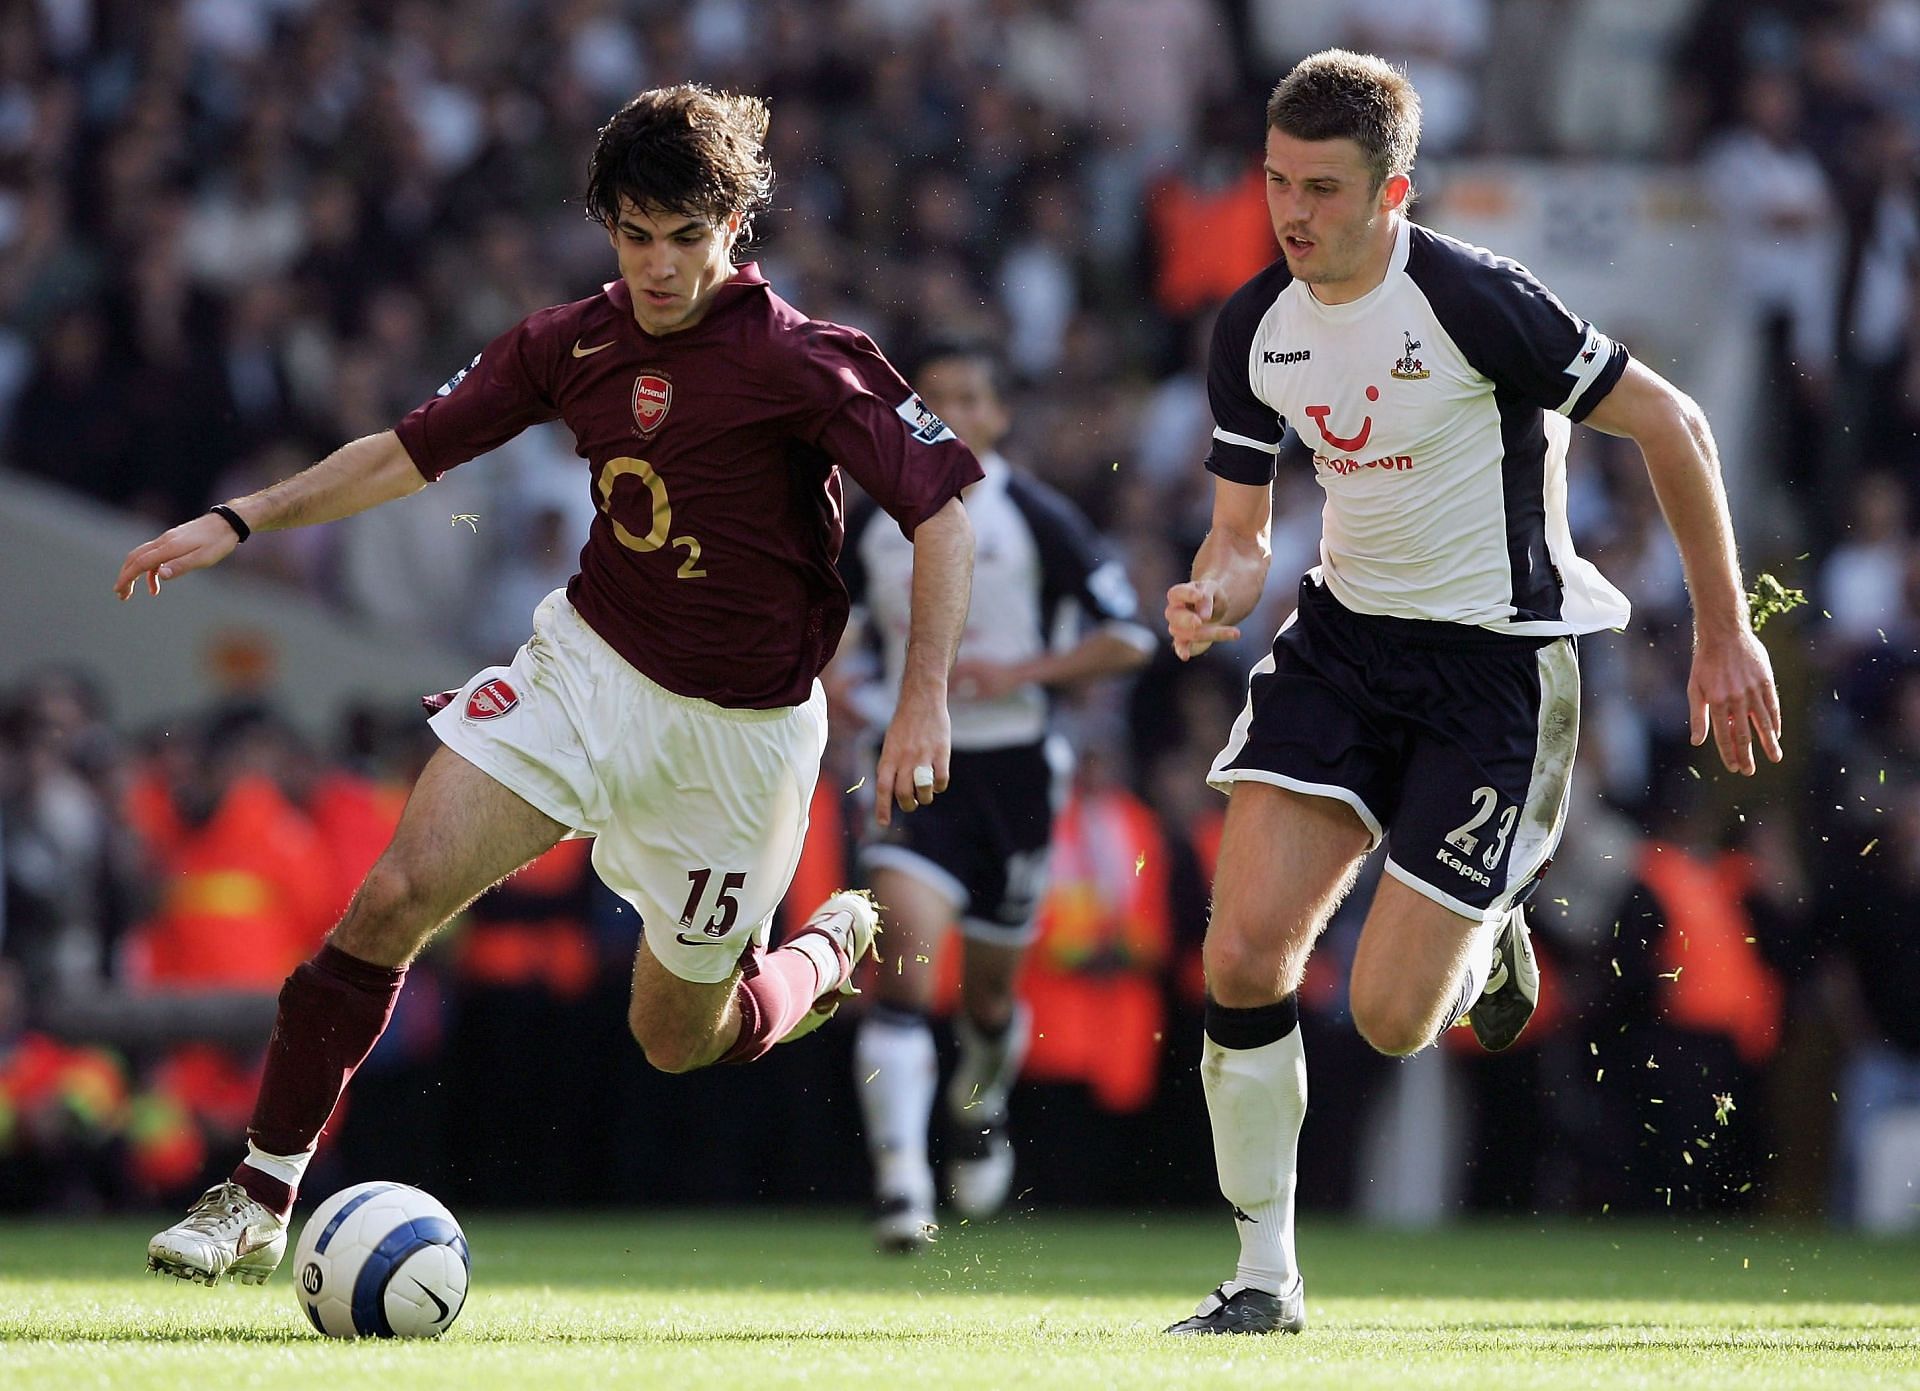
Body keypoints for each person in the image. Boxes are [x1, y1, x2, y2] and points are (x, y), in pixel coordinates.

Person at [113, 84, 981, 1286]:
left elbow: (943, 510)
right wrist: (238, 519)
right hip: (588, 668)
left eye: (687, 235)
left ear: (735, 222)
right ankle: (259, 1190)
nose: (661, 264)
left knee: (677, 1036)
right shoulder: (570, 340)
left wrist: (926, 694)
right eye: (636, 234)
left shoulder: (804, 361)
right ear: (607, 226)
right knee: (392, 895)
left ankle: (818, 956)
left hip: (740, 742)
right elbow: (411, 451)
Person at [1160, 50, 1782, 1335]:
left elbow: (1675, 426)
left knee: (1391, 1019)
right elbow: (1240, 529)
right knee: (1242, 949)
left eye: (1323, 189)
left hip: (1497, 667)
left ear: (1395, 191)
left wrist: (1725, 631)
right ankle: (1263, 1277)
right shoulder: (1254, 327)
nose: (1292, 212)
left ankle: (1486, 917)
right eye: (1277, 181)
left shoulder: (1476, 298)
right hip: (1341, 645)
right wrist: (1217, 584)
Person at [835, 340, 1154, 1251]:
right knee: (899, 971)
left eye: (968, 397)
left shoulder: (1036, 518)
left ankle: (981, 1105)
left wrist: (1027, 668)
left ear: (998, 415)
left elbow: (1129, 635)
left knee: (985, 1001)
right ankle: (900, 1187)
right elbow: (830, 625)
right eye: (931, 398)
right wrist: (842, 687)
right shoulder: (880, 520)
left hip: (1013, 772)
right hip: (914, 768)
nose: (948, 413)